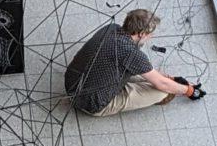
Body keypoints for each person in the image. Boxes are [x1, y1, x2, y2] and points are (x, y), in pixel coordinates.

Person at [64, 9, 204, 116]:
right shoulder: (132, 54)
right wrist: (189, 91)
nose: (151, 37)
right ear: (141, 33)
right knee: (161, 92)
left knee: (156, 79)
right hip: (89, 103)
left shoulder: (111, 28)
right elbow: (161, 84)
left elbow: (146, 70)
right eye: (150, 34)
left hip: (72, 83)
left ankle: (173, 84)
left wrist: (172, 79)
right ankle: (171, 90)